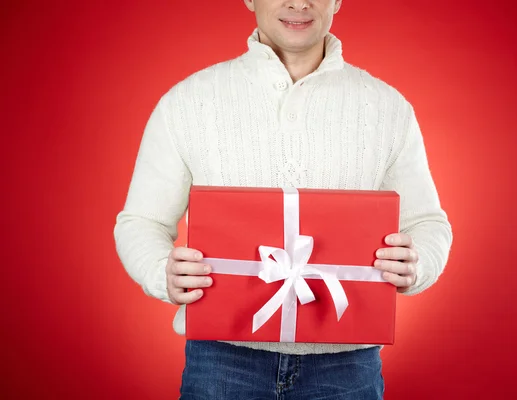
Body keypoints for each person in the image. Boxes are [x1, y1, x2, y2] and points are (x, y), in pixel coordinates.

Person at [114, 0, 453, 398]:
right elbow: (142, 222)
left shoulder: (387, 109)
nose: (298, 2)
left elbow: (429, 224)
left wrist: (417, 263)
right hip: (221, 362)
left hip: (346, 367)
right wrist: (161, 272)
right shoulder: (188, 102)